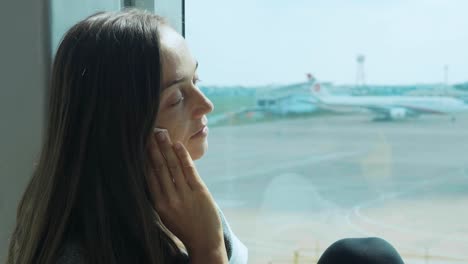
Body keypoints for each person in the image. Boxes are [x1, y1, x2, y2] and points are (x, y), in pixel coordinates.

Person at [6, 9, 405, 264]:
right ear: (122, 127)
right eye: (179, 95)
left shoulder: (168, 208)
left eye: (198, 79)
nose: (207, 104)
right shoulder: (81, 255)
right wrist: (208, 249)